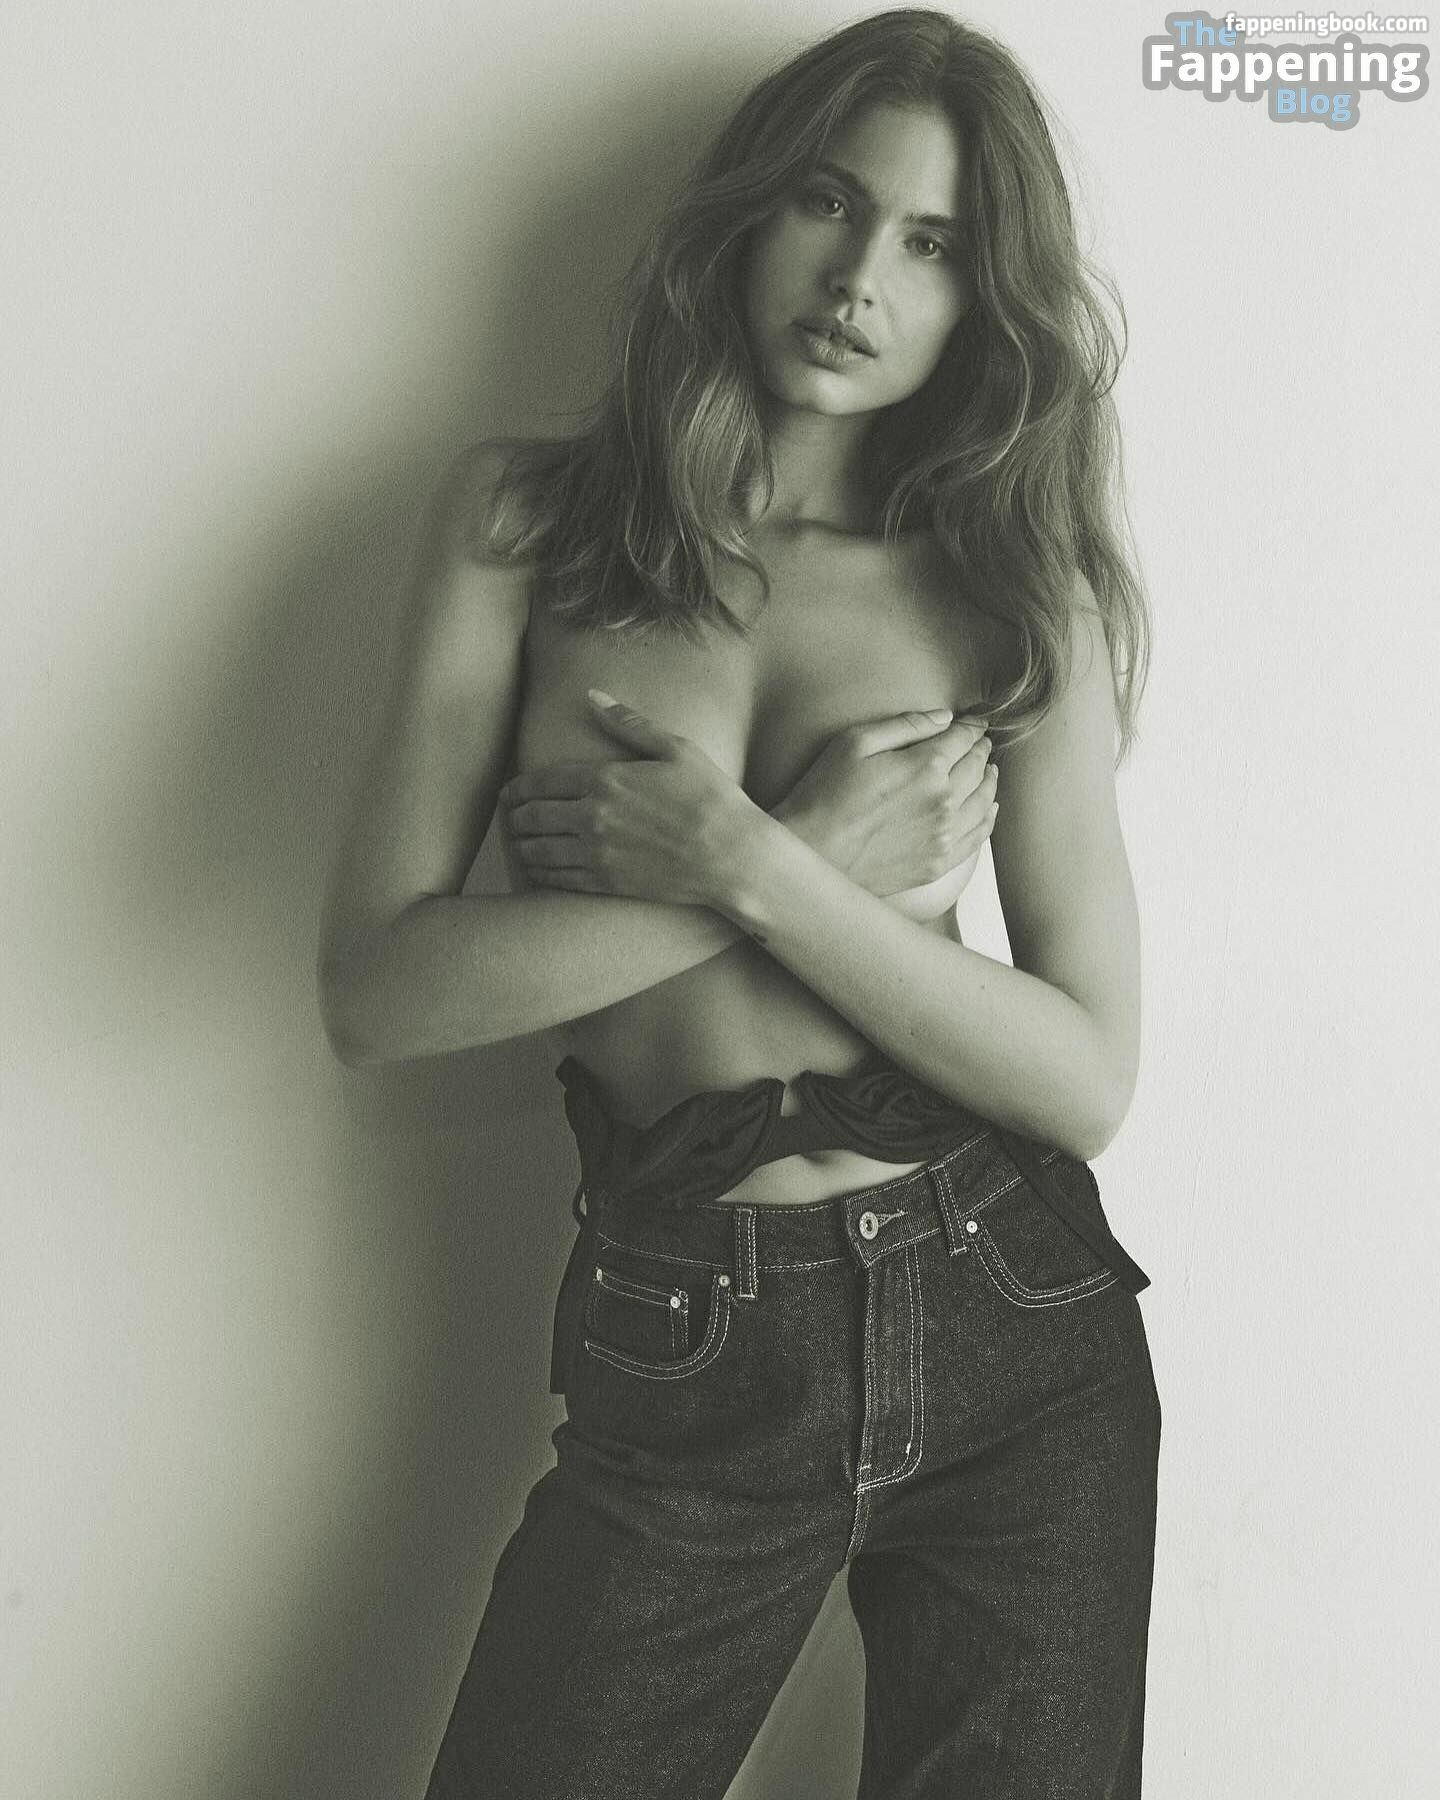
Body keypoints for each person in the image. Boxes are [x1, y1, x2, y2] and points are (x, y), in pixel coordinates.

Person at [317, 8, 1161, 1795]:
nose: (859, 281)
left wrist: (763, 866)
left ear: (982, 299)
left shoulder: (1018, 595)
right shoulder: (527, 531)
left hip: (1015, 1325)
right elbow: (378, 992)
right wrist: (783, 862)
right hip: (685, 1330)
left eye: (932, 245)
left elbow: (1086, 1078)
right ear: (748, 213)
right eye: (829, 205)